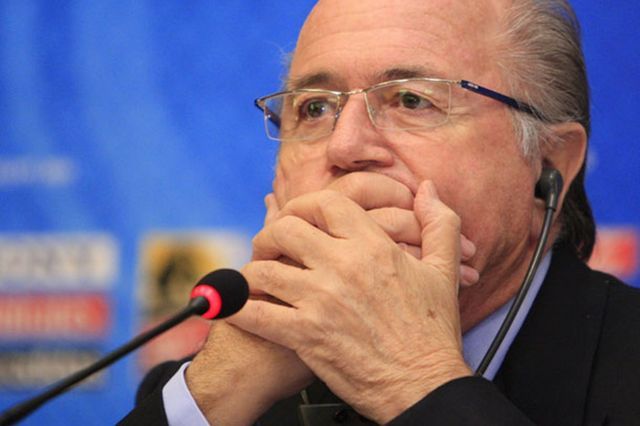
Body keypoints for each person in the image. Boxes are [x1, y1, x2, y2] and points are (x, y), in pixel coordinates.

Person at [120, 0, 640, 424]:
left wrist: (416, 379)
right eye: (315, 108)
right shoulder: (204, 395)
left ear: (549, 164)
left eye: (411, 100)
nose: (344, 146)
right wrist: (220, 389)